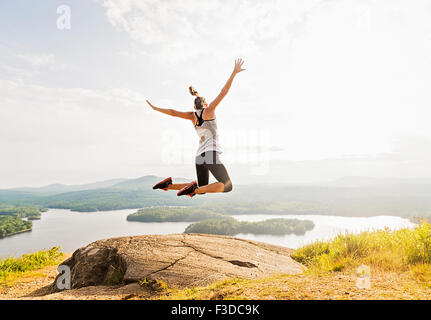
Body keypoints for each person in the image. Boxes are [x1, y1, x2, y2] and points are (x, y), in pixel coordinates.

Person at [146, 58, 246, 197]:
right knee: (227, 186)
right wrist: (234, 73)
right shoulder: (209, 111)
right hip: (210, 154)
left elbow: (173, 112)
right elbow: (223, 92)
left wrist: (156, 108)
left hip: (199, 156)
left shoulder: (192, 116)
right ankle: (194, 189)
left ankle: (168, 185)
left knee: (203, 187)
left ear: (194, 106)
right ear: (204, 105)